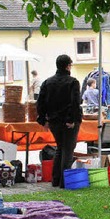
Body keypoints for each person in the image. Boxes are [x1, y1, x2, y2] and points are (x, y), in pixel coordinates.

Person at [36, 54, 83, 188]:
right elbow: (75, 102)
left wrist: (42, 119)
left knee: (60, 149)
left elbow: (40, 103)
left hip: (54, 121)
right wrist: (72, 119)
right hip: (68, 121)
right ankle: (65, 182)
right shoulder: (73, 82)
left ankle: (56, 180)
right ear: (68, 66)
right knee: (68, 150)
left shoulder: (47, 82)